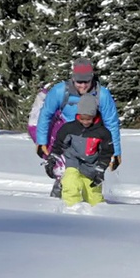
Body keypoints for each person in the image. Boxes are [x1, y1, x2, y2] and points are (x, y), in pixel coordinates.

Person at [35, 57, 121, 197]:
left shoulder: (102, 95)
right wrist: (41, 141)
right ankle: (60, 195)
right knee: (66, 170)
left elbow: (111, 123)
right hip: (67, 135)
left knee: (90, 174)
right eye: (79, 82)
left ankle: (90, 200)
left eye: (86, 81)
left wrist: (115, 152)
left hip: (92, 139)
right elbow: (46, 115)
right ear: (73, 79)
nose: (82, 86)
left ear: (92, 78)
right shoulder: (60, 91)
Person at [45, 94, 114, 206]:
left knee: (94, 197)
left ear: (95, 115)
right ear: (78, 115)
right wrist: (52, 159)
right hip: (73, 162)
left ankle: (97, 214)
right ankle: (71, 208)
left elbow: (106, 152)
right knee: (70, 184)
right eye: (82, 118)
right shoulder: (69, 128)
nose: (85, 122)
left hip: (92, 166)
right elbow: (58, 145)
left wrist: (100, 169)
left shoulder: (103, 133)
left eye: (89, 119)